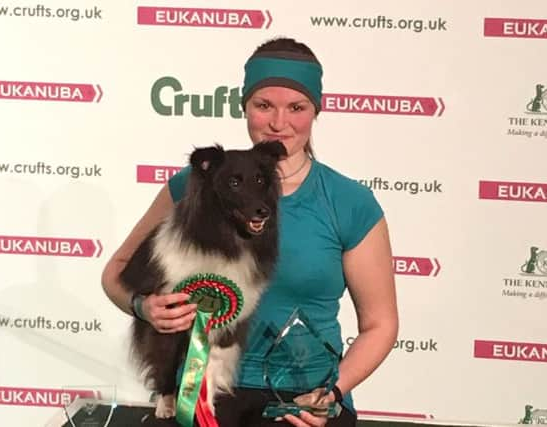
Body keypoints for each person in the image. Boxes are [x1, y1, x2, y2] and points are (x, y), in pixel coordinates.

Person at [101, 36, 398, 427]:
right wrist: (144, 307)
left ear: (315, 111)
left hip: (305, 401)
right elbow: (116, 273)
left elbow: (381, 325)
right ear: (245, 108)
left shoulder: (349, 202)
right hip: (201, 393)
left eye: (296, 107)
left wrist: (332, 392)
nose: (279, 123)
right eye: (263, 106)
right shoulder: (191, 187)